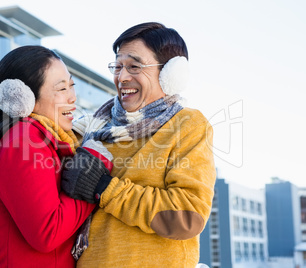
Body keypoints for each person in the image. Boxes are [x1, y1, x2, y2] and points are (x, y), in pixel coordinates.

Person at [61, 22, 216, 267]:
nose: (122, 77)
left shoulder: (187, 125)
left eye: (134, 66)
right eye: (118, 66)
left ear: (170, 75)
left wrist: (104, 188)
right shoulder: (92, 128)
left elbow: (188, 216)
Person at [0, 45, 112, 267]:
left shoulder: (42, 139)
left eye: (72, 85)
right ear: (24, 99)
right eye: (61, 89)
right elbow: (48, 232)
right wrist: (93, 176)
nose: (72, 97)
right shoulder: (25, 139)